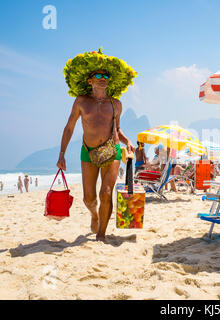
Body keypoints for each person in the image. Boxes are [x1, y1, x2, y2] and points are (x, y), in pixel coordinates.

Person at [57, 48, 137, 242]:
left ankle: (101, 235)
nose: (103, 78)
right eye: (98, 75)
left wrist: (127, 142)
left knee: (106, 193)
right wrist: (62, 154)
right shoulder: (81, 102)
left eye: (106, 76)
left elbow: (117, 129)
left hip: (112, 151)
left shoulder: (116, 104)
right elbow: (69, 128)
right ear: (90, 81)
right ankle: (94, 214)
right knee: (89, 198)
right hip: (88, 152)